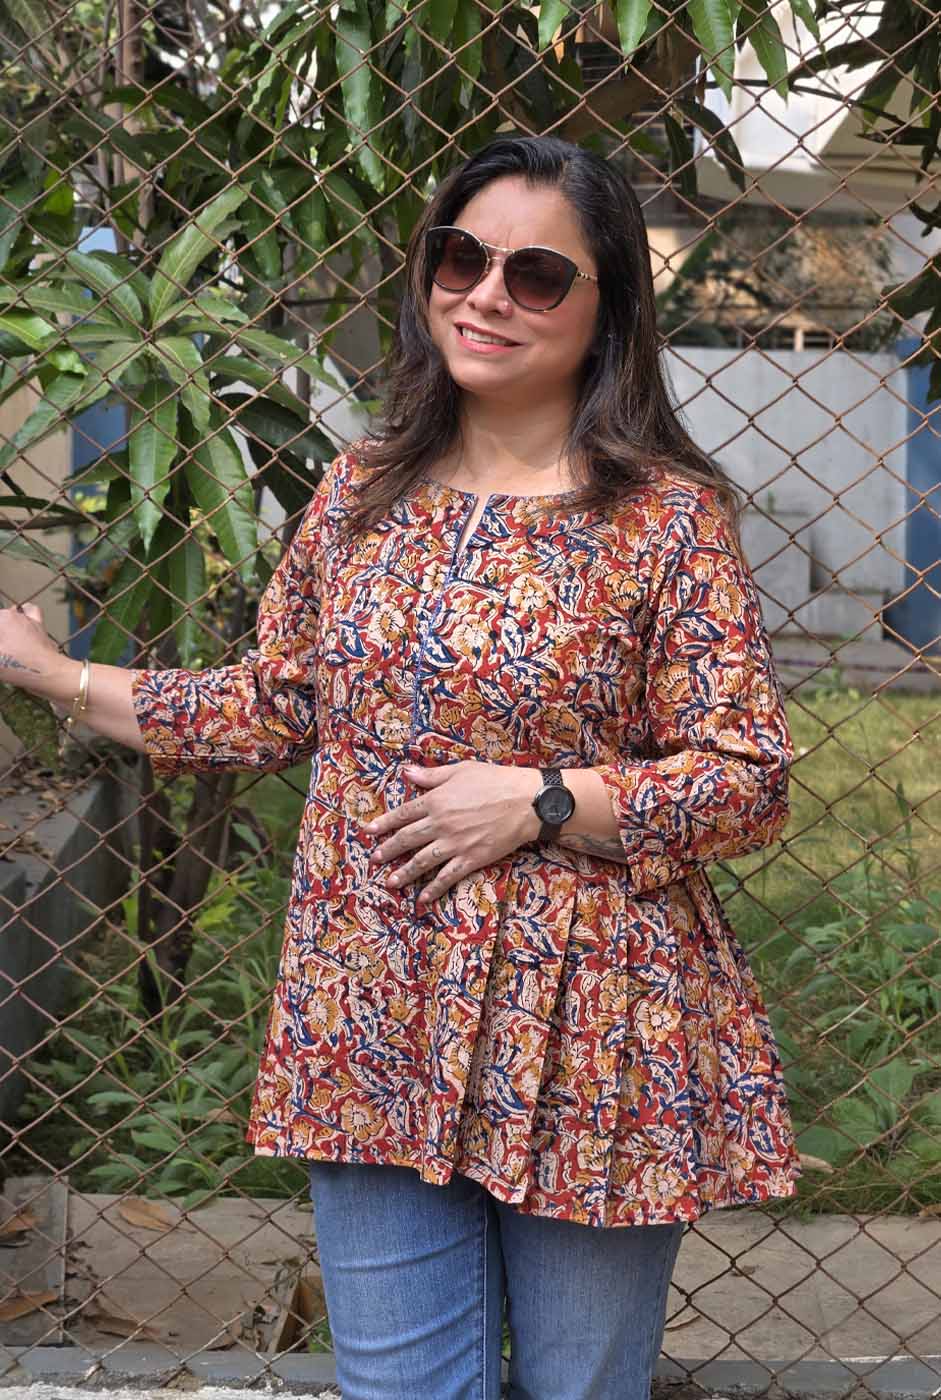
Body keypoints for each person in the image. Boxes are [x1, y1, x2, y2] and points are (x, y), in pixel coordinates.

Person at [0, 135, 800, 1400]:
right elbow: (274, 706)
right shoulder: (361, 489)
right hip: (369, 1005)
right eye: (459, 257)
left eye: (535, 274)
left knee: (578, 1387)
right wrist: (54, 674)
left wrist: (542, 800)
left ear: (604, 309)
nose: (485, 295)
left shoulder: (662, 517)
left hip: (586, 1024)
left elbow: (748, 777)